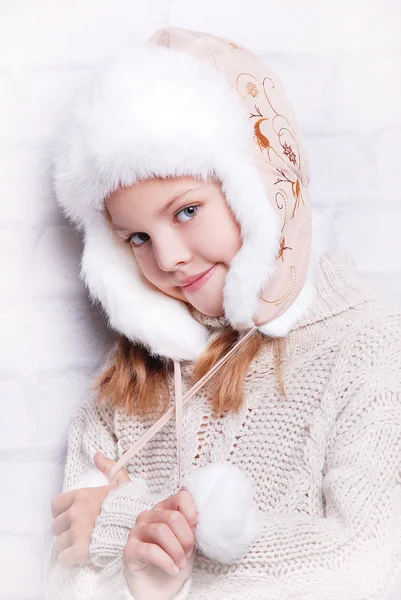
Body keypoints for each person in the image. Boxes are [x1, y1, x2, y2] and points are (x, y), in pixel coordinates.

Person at [43, 26, 401, 600]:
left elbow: (368, 568)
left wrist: (140, 532)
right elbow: (61, 577)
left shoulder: (371, 349)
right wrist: (137, 578)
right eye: (135, 237)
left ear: (259, 189)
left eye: (186, 211)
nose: (169, 258)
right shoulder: (126, 381)